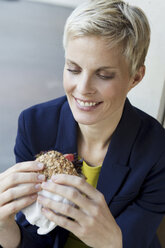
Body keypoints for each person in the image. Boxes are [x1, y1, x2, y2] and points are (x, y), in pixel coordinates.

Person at [0, 0, 165, 247]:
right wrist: (4, 226)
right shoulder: (34, 125)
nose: (83, 89)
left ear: (135, 77)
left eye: (104, 75)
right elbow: (33, 237)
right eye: (73, 69)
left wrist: (110, 237)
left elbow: (136, 239)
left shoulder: (157, 149)